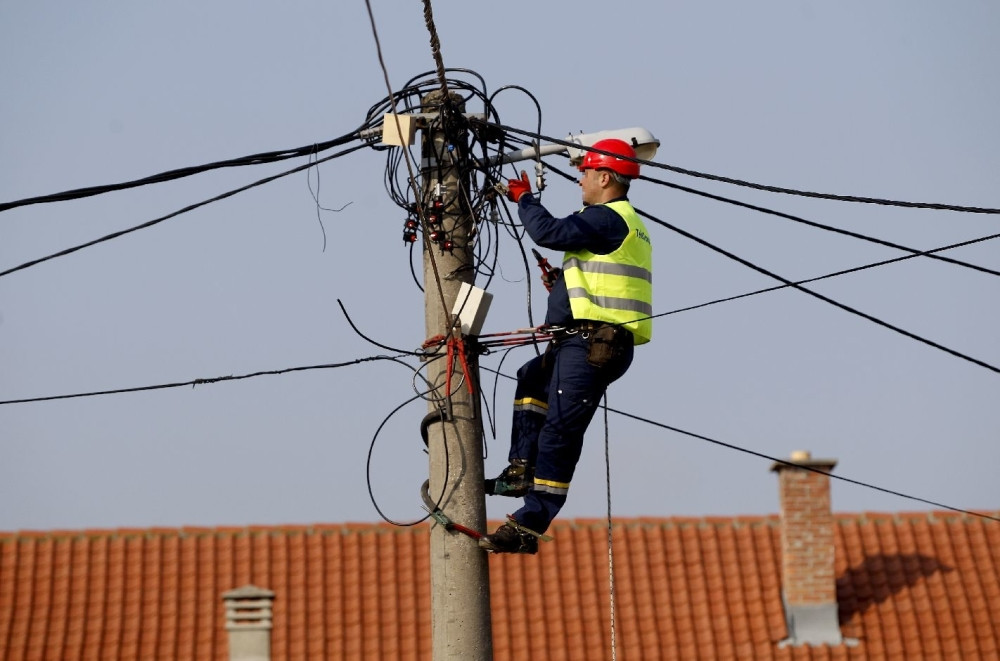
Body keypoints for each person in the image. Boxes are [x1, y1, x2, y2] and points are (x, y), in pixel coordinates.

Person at [479, 138, 653, 554]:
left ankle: (529, 524)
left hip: (594, 345)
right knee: (530, 379)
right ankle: (521, 469)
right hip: (581, 341)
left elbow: (548, 232)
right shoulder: (615, 223)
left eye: (586, 172)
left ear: (606, 177)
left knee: (559, 433)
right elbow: (597, 276)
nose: (580, 180)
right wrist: (561, 285)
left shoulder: (609, 217)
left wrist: (524, 199)